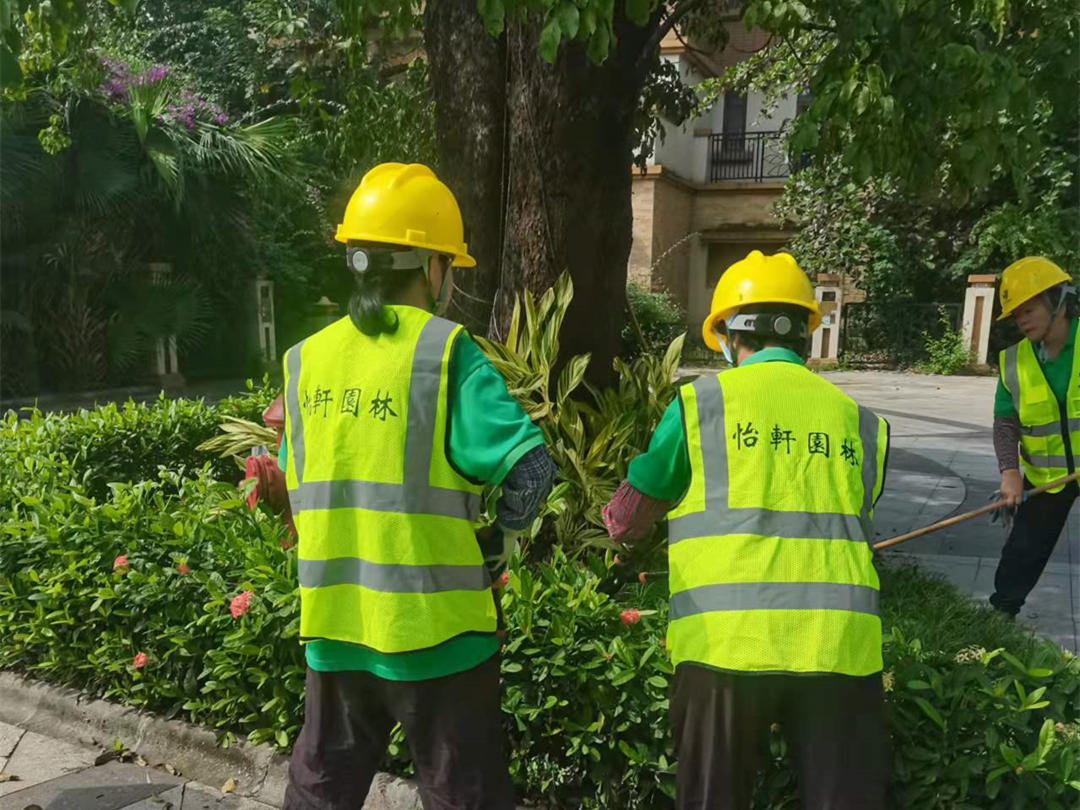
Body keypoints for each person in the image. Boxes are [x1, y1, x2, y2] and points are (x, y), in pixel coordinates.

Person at [278, 162, 554, 810]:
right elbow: (533, 472)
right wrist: (496, 539)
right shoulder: (444, 352)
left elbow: (300, 487)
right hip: (441, 638)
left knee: (319, 792)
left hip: (336, 631)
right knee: (465, 795)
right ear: (432, 266)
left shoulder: (304, 361)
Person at [603, 250, 890, 810]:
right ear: (804, 333)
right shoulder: (859, 421)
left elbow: (628, 517)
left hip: (724, 649)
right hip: (839, 651)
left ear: (730, 336)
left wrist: (619, 528)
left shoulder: (701, 405)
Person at [990, 256, 1078, 619]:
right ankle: (1001, 614)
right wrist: (1009, 471)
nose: (1022, 320)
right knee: (1023, 550)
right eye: (1017, 314)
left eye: (1029, 309)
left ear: (1058, 300)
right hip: (1048, 478)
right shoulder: (1014, 361)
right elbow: (1005, 421)